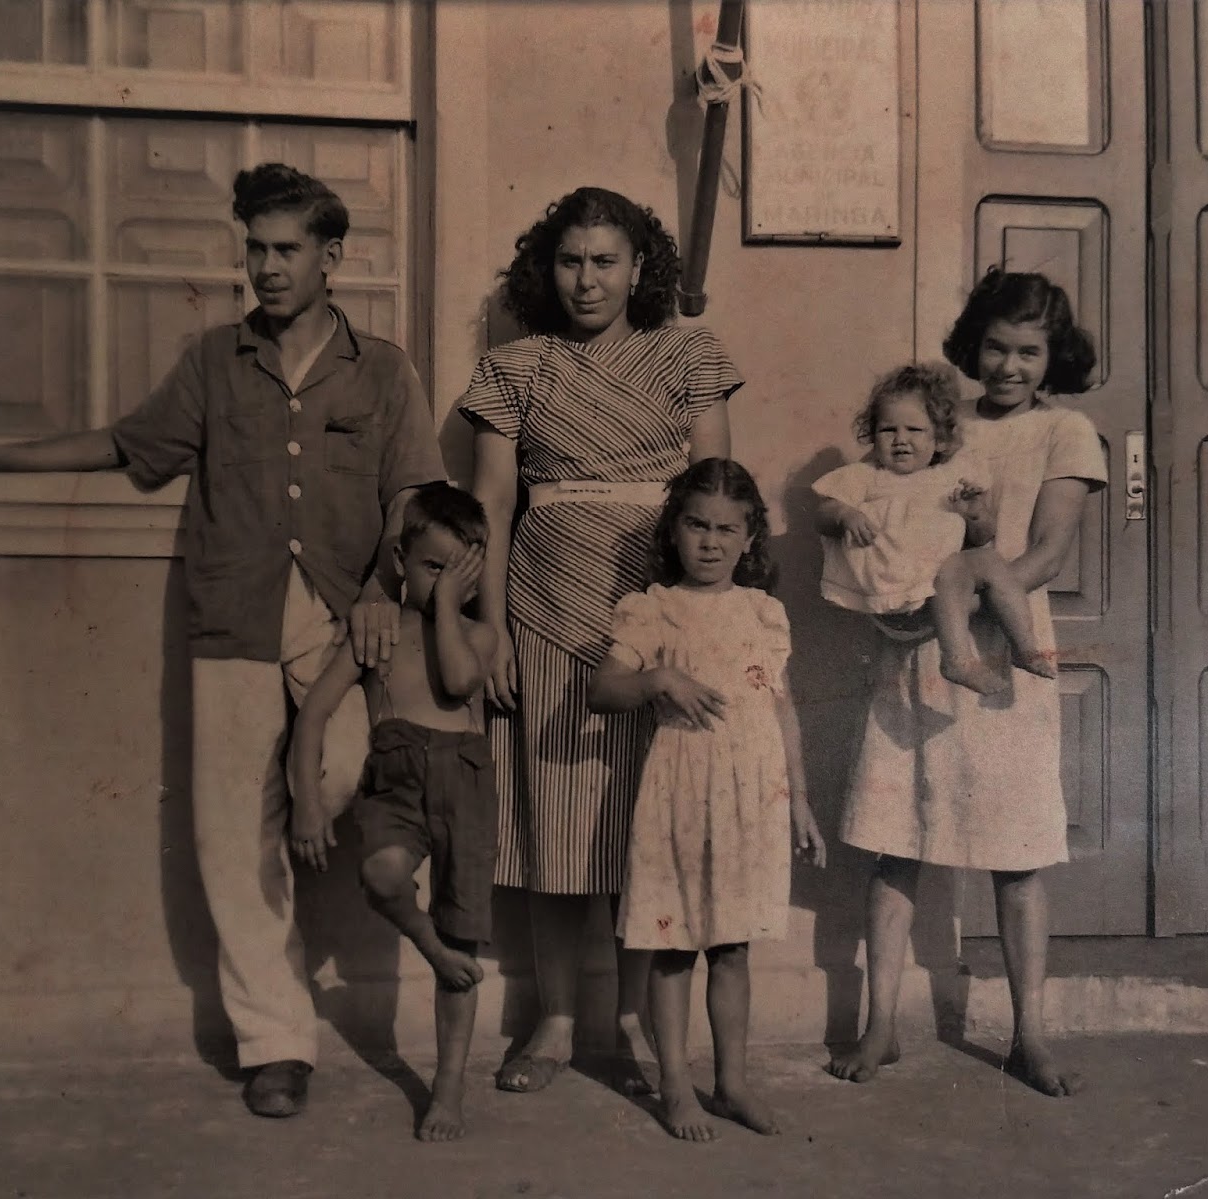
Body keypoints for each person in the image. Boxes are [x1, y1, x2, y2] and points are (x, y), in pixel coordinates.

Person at [0, 163, 447, 1119]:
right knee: (232, 833)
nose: (264, 267)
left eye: (286, 249)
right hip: (231, 613)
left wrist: (389, 588)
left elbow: (413, 495)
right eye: (254, 248)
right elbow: (118, 445)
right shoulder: (214, 362)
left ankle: (294, 989)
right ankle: (275, 1041)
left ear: (331, 256)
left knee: (339, 773)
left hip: (343, 616)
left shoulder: (383, 369)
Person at [461, 187, 742, 1094]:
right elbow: (494, 504)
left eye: (606, 260)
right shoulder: (516, 368)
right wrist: (493, 621)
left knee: (643, 822)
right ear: (548, 269)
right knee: (557, 821)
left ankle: (629, 1018)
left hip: (656, 612)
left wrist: (702, 623)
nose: (587, 279)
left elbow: (714, 488)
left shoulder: (688, 354)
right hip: (543, 608)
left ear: (639, 268)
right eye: (571, 261)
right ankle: (553, 1019)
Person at [830, 268, 1106, 1096]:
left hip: (1008, 652)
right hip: (919, 646)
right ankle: (880, 1025)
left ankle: (1029, 1034)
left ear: (1054, 357)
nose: (1010, 365)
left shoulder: (1067, 432)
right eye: (995, 346)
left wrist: (976, 592)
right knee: (897, 842)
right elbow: (886, 515)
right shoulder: (943, 424)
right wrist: (899, 601)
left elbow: (1048, 552)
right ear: (972, 346)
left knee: (1017, 856)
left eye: (1029, 351)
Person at [588, 458, 826, 1142]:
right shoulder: (653, 607)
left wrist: (800, 800)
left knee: (732, 948)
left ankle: (732, 1083)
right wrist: (659, 676)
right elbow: (604, 689)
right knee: (673, 947)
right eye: (697, 524)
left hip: (752, 794)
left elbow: (783, 711)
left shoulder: (762, 611)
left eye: (728, 528)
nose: (711, 541)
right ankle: (674, 1087)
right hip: (682, 792)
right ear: (674, 529)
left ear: (750, 538)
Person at [290, 483, 498, 1142]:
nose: (448, 583)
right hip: (398, 775)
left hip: (465, 779)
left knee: (464, 933)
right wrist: (307, 801)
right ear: (401, 560)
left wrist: (443, 607)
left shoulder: (479, 633)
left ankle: (447, 1087)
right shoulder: (375, 634)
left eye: (463, 570)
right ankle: (429, 944)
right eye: (434, 566)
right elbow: (314, 714)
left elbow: (461, 682)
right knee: (381, 872)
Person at [813, 362, 1058, 696]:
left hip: (942, 589)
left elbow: (981, 536)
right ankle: (958, 659)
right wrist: (844, 515)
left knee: (989, 562)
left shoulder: (949, 478)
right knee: (958, 567)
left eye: (914, 430)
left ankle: (1025, 646)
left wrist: (974, 513)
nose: (900, 440)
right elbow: (822, 513)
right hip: (895, 597)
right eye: (888, 430)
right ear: (873, 434)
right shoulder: (867, 476)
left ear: (939, 438)